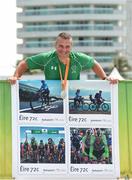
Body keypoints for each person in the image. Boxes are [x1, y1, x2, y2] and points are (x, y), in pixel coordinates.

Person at [9, 32, 118, 84]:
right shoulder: (46, 58)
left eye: (67, 47)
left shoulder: (78, 58)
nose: (64, 49)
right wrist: (15, 77)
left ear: (71, 47)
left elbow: (93, 63)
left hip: (72, 96)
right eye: (61, 46)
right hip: (53, 95)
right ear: (55, 45)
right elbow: (24, 64)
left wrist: (105, 78)